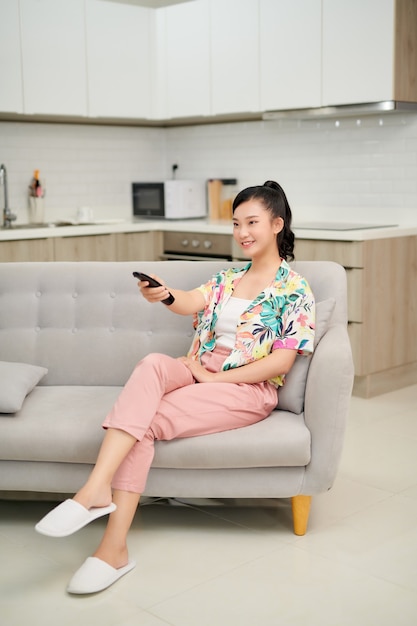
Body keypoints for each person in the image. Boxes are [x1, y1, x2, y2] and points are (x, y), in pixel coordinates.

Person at [35, 180, 316, 594]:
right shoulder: (228, 276)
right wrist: (164, 294)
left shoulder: (296, 290)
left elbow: (281, 362)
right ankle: (96, 487)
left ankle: (113, 549)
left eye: (252, 222)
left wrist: (217, 378)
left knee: (146, 425)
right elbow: (190, 301)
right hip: (197, 367)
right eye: (236, 223)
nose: (242, 233)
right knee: (152, 363)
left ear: (276, 224)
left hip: (245, 387)